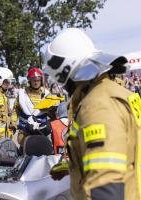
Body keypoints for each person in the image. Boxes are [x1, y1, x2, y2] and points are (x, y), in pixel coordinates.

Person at [44, 28, 140, 200]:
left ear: (65, 71)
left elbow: (106, 184)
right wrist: (73, 164)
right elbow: (122, 148)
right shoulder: (116, 92)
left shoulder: (96, 106)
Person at [12, 67, 50, 151]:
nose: (36, 82)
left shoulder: (47, 94)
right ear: (29, 80)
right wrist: (13, 123)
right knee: (24, 154)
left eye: (38, 80)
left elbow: (52, 113)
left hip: (41, 132)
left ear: (41, 80)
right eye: (34, 80)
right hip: (24, 132)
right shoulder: (22, 93)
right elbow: (15, 110)